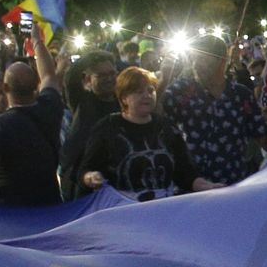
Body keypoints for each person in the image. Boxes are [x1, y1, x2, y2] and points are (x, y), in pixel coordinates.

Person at [162, 34, 267, 190]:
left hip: (234, 187)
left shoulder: (240, 95)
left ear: (222, 60)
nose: (197, 64)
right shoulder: (180, 91)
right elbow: (155, 120)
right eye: (194, 58)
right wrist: (163, 81)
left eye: (203, 59)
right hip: (192, 189)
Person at [0, 33, 63, 207]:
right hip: (49, 204)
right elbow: (49, 74)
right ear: (36, 85)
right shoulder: (51, 107)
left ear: (5, 88)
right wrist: (36, 41)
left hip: (8, 210)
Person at [78, 67, 197, 201]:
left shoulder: (167, 126)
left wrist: (206, 186)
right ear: (124, 98)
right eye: (139, 92)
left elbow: (186, 172)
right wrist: (91, 177)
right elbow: (86, 169)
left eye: (151, 90)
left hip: (165, 205)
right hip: (123, 209)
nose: (147, 95)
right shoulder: (107, 127)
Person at [59, 50, 120, 200]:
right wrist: (93, 56)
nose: (109, 79)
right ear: (88, 79)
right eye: (101, 75)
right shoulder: (82, 100)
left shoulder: (123, 102)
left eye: (112, 73)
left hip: (110, 175)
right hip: (78, 175)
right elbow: (71, 77)